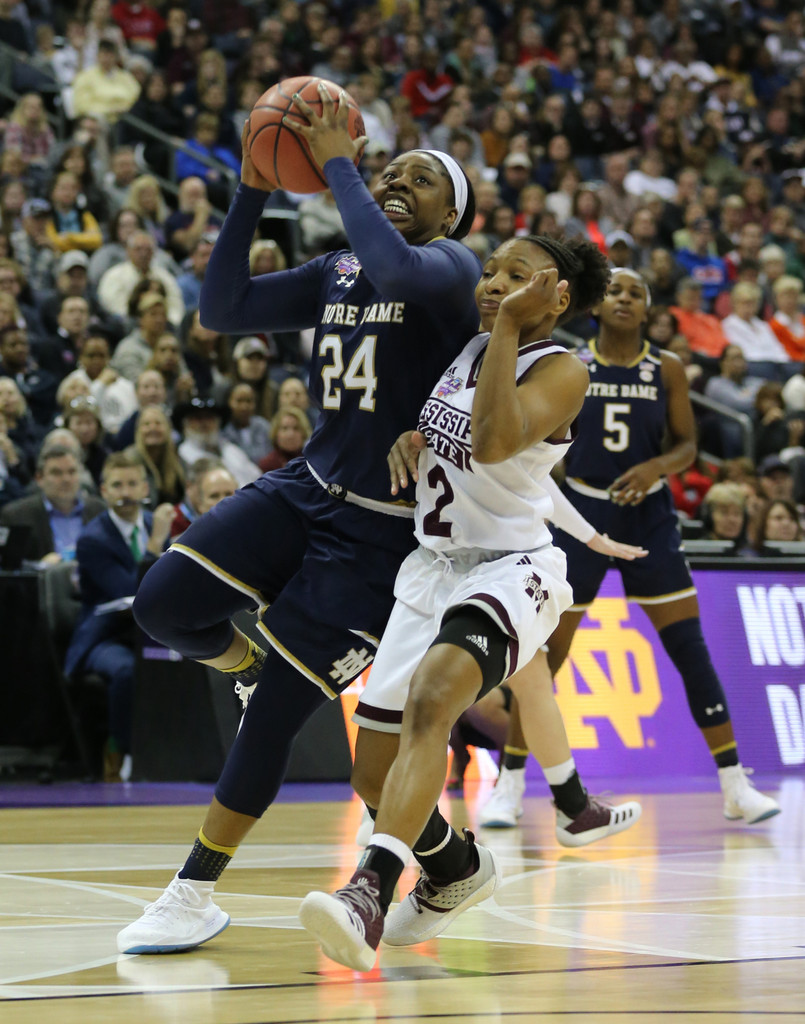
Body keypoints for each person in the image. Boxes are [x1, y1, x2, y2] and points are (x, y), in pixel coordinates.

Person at [116, 87, 480, 955]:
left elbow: (396, 267)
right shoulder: (338, 270)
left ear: (454, 212)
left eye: (421, 178)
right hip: (306, 486)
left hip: (380, 536)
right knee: (162, 605)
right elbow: (222, 309)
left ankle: (192, 891)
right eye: (392, 168)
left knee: (275, 715)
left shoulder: (452, 272)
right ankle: (247, 669)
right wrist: (250, 189)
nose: (398, 180)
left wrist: (341, 165)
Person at [297, 234, 614, 972]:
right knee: (370, 776)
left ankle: (367, 893)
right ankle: (454, 869)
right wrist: (415, 436)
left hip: (512, 568)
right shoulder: (472, 350)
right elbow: (458, 434)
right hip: (431, 565)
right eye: (492, 271)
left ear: (558, 297)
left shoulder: (562, 368)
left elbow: (498, 439)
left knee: (436, 697)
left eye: (516, 276)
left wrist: (504, 326)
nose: (493, 284)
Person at [481, 268, 781, 832]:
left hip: (650, 517)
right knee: (544, 661)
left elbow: (689, 444)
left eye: (636, 293)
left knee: (690, 650)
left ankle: (736, 785)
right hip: (581, 515)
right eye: (615, 291)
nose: (624, 298)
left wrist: (656, 468)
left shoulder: (665, 367)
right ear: (597, 305)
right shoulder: (570, 364)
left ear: (647, 309)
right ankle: (509, 786)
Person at [64, 451, 174, 781]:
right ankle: (121, 753)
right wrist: (155, 546)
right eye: (117, 485)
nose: (125, 492)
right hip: (106, 635)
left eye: (132, 483)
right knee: (127, 670)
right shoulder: (92, 540)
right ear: (104, 491)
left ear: (145, 487)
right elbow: (130, 591)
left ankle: (176, 750)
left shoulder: (156, 522)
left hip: (152, 632)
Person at [0, 444, 105, 562]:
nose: (66, 479)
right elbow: (9, 567)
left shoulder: (99, 510)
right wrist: (40, 566)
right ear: (39, 478)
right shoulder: (17, 516)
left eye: (72, 472)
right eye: (57, 473)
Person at [257, 406, 311, 472]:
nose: (290, 434)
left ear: (304, 433)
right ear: (276, 433)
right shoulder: (266, 465)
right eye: (285, 428)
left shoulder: (312, 464)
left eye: (296, 428)